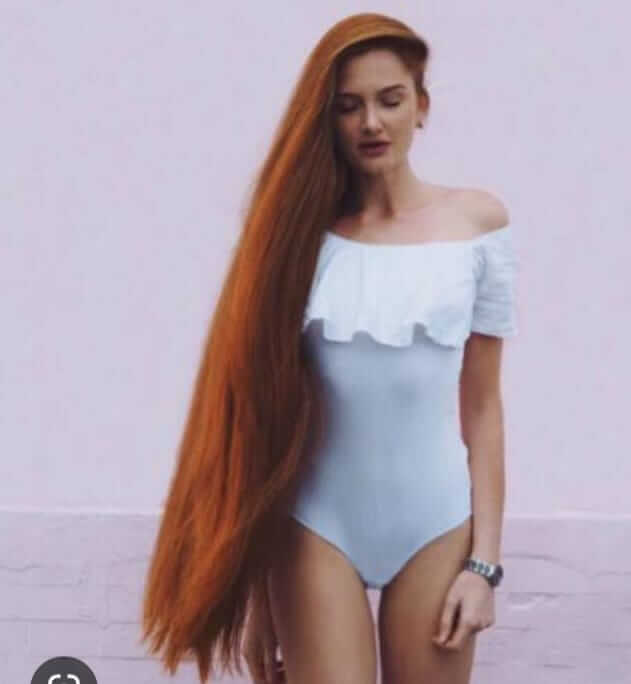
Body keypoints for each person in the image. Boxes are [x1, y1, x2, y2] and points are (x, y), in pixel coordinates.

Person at [140, 12, 518, 684]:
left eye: (390, 100)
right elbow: (260, 419)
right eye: (349, 106)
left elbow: (483, 409)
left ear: (421, 106)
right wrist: (261, 596)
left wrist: (482, 566)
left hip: (437, 528)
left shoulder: (479, 225)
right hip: (314, 529)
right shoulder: (293, 239)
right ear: (326, 118)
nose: (371, 123)